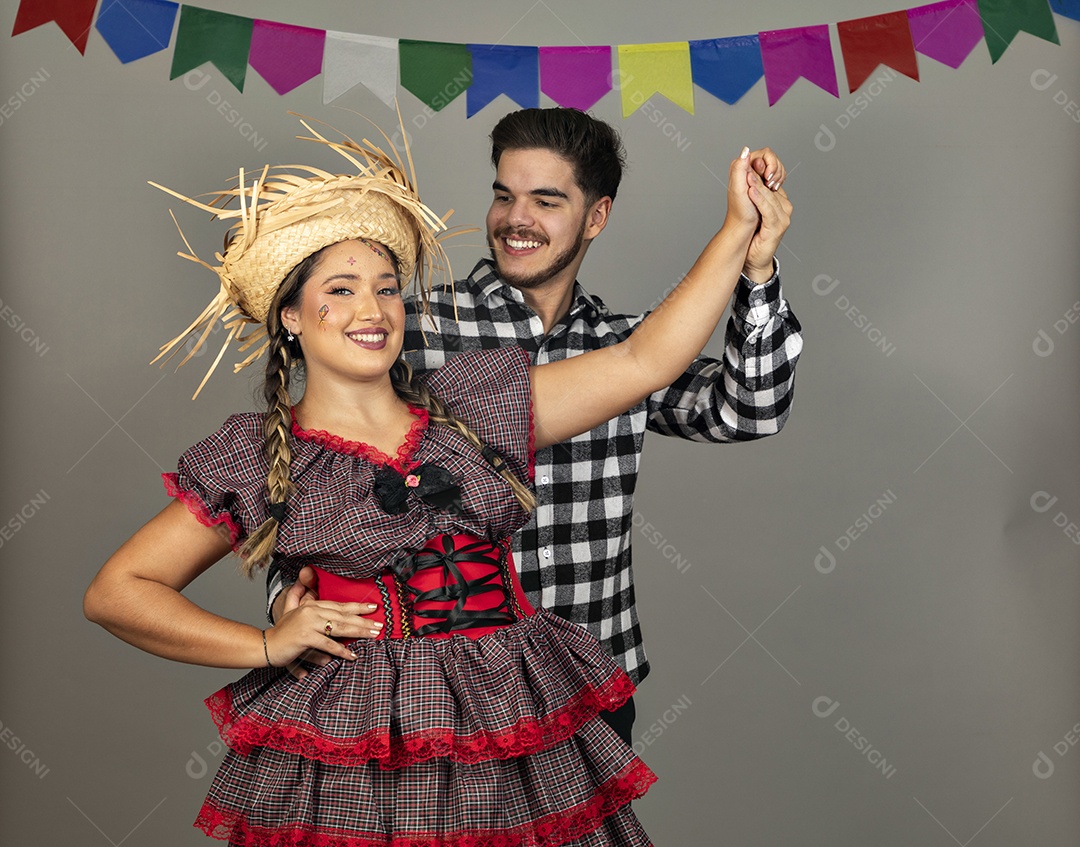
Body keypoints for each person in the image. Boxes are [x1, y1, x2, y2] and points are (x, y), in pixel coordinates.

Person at [83, 115, 790, 846]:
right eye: (341, 290)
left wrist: (740, 230)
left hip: (527, 709)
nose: (371, 310)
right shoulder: (261, 452)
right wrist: (268, 642)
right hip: (365, 735)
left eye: (387, 289)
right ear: (290, 315)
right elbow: (118, 591)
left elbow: (646, 360)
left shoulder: (475, 404)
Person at [267, 108, 802, 744]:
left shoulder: (629, 344)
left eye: (545, 201)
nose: (515, 219)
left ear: (597, 216)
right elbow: (309, 485)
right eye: (504, 196)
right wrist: (286, 597)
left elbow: (750, 409)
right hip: (441, 692)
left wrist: (756, 268)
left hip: (590, 683)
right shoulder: (406, 329)